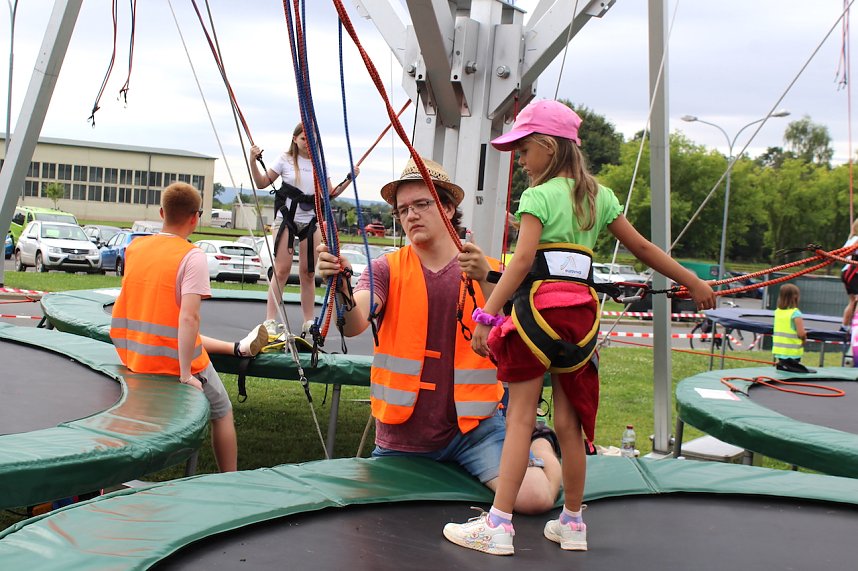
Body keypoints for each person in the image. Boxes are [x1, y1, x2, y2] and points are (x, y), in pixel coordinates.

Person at [441, 99, 716, 556]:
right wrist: (692, 280)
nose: (522, 162)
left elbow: (524, 261)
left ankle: (499, 524)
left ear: (548, 147)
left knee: (520, 420)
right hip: (582, 322)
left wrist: (487, 316)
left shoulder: (537, 198)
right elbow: (644, 248)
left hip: (538, 317)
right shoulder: (599, 197)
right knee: (568, 423)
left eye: (524, 152)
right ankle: (572, 521)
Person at [316, 157, 563, 521]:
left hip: (475, 430)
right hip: (403, 437)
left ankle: (540, 443)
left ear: (447, 207)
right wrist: (340, 285)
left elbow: (522, 325)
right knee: (367, 518)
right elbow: (354, 322)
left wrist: (488, 278)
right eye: (403, 209)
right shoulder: (386, 268)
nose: (411, 215)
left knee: (534, 499)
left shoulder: (488, 267)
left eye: (422, 204)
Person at [110, 182, 246, 472]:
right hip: (175, 361)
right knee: (222, 411)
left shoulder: (135, 247)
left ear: (162, 212)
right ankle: (230, 479)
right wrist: (186, 374)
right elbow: (188, 318)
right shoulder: (191, 255)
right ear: (195, 217)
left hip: (133, 357)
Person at [249, 123, 355, 338]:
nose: (308, 143)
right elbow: (261, 183)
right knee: (282, 270)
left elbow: (329, 194)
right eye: (304, 139)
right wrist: (253, 160)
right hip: (286, 218)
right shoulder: (285, 160)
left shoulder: (319, 164)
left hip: (310, 221)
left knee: (308, 273)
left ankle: (308, 321)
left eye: (311, 139)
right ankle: (270, 320)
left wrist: (350, 179)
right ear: (295, 139)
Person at [773, 283, 811, 373]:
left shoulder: (778, 312)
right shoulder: (795, 313)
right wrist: (804, 339)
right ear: (795, 297)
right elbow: (801, 333)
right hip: (792, 352)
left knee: (784, 370)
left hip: (779, 352)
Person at [840, 219, 858, 331]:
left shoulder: (851, 239)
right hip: (853, 272)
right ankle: (855, 328)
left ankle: (844, 327)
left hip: (846, 272)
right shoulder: (856, 240)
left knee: (852, 301)